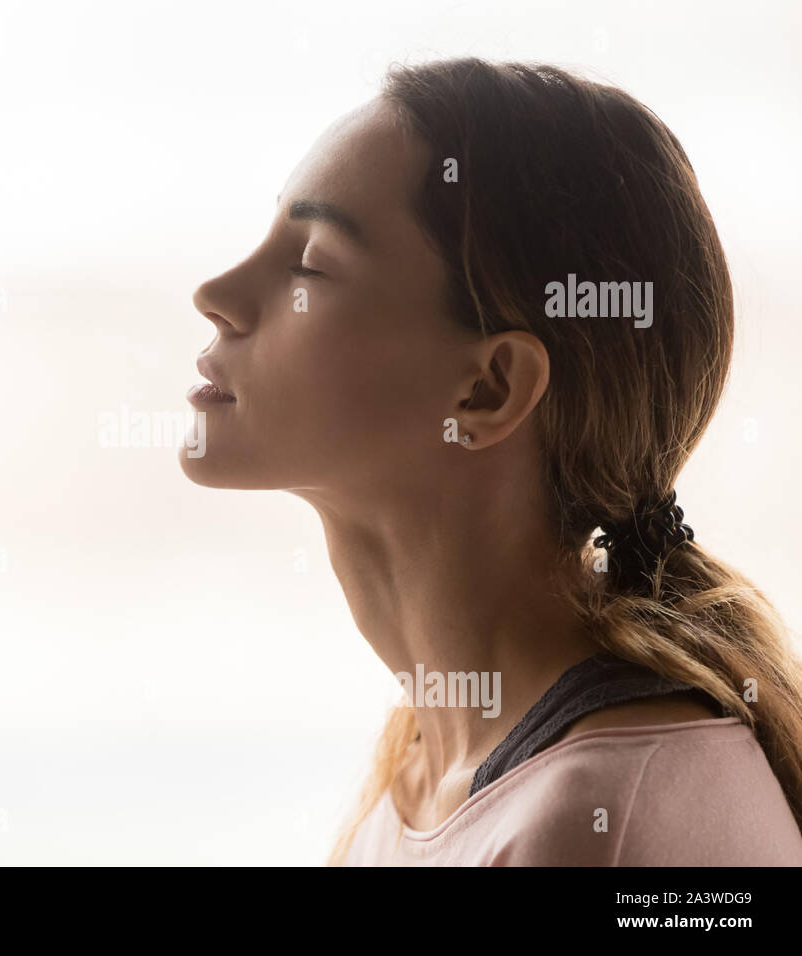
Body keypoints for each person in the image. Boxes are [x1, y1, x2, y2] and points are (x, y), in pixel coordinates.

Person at [179, 57, 802, 866]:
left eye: (311, 264)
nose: (215, 292)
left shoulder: (608, 812)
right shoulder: (419, 771)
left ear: (489, 389)